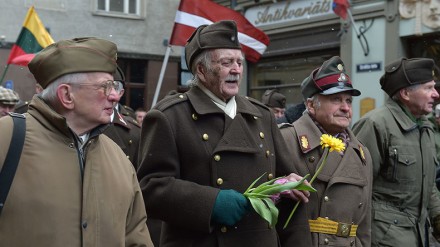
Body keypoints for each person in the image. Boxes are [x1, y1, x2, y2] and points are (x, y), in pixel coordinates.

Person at [137, 20, 309, 247]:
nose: (236, 69)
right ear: (201, 70)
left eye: (239, 62)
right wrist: (211, 203)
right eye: (227, 63)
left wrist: (287, 185)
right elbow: (150, 189)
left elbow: (288, 193)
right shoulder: (169, 116)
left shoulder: (261, 115)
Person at [0, 37, 153, 246]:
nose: (115, 96)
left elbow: (136, 235)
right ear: (66, 95)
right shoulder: (6, 137)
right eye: (105, 87)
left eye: (116, 86)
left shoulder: (117, 156)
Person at [277, 56, 372, 247]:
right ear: (311, 105)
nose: (345, 108)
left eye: (348, 101)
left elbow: (363, 224)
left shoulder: (361, 153)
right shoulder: (285, 140)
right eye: (336, 100)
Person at [352, 57, 440, 247]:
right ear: (406, 93)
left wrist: (437, 216)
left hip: (420, 236)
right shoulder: (375, 124)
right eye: (428, 88)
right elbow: (355, 186)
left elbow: (428, 184)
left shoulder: (425, 127)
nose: (436, 94)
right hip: (384, 238)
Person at [103, 66, 141, 169]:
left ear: (121, 93)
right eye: (104, 87)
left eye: (115, 88)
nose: (111, 95)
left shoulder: (134, 131)